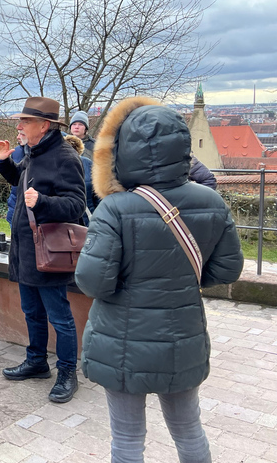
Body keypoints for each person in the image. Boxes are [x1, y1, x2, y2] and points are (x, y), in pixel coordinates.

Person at [75, 97, 243, 462]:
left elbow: (92, 282)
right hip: (182, 337)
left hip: (121, 341)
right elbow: (227, 271)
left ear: (122, 150)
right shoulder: (212, 202)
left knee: (127, 441)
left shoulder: (115, 208)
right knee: (189, 431)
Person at [0, 96, 85, 404]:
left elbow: (76, 206)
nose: (19, 126)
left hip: (49, 253)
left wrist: (44, 203)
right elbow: (21, 183)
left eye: (26, 121)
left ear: (44, 126)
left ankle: (68, 373)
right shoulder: (33, 153)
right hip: (25, 250)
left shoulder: (64, 157)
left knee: (60, 317)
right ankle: (36, 362)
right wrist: (4, 162)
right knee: (31, 311)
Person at [64, 135, 99, 226]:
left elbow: (98, 195)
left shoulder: (87, 163)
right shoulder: (54, 166)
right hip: (65, 224)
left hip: (90, 220)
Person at [1, 130, 27, 226]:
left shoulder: (39, 154)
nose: (18, 137)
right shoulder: (16, 152)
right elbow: (15, 178)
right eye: (18, 133)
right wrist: (2, 161)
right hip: (15, 203)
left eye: (22, 134)